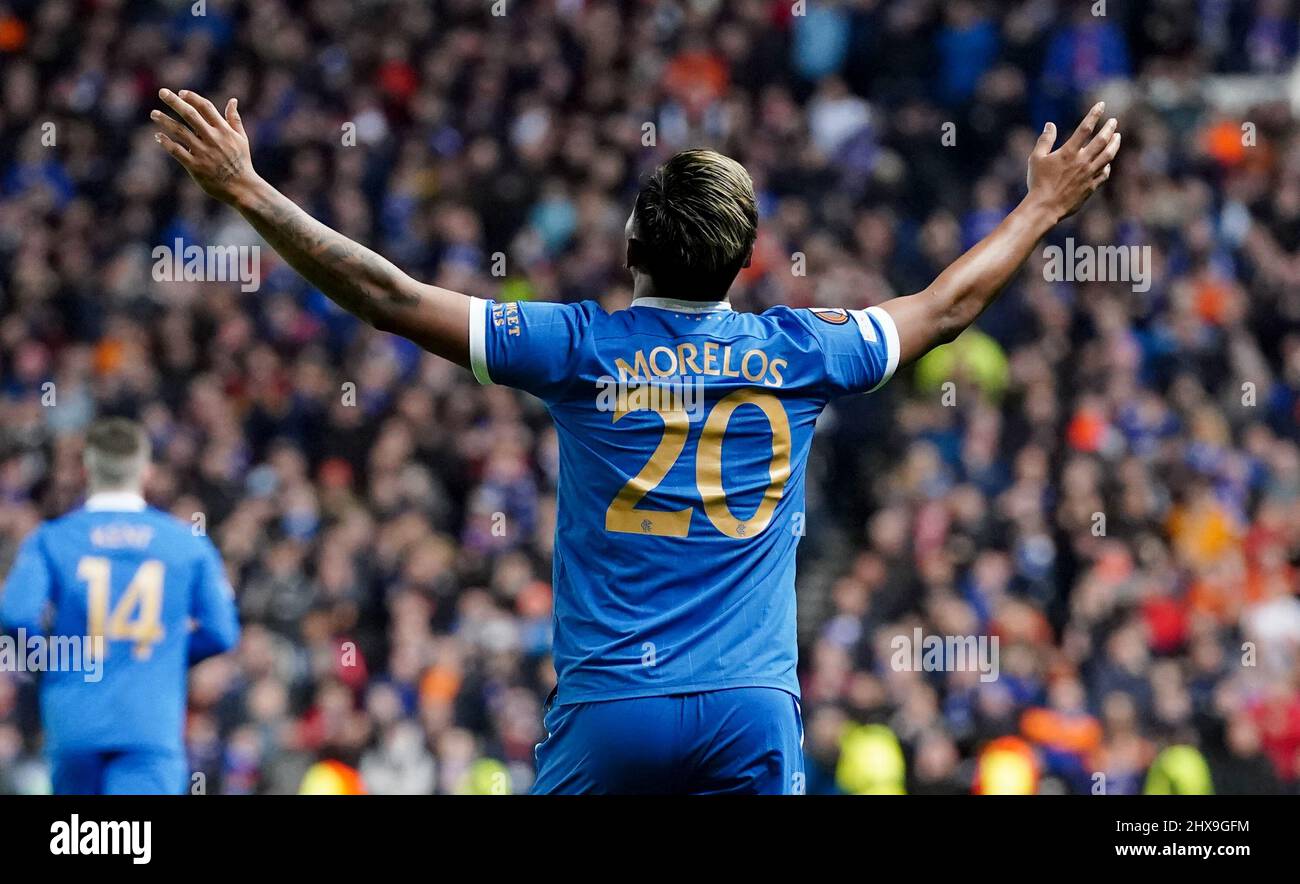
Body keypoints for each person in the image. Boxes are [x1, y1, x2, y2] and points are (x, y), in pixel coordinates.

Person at [148, 88, 1120, 793]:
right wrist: (1041, 205)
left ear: (628, 250)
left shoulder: (579, 343)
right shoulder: (801, 348)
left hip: (614, 706)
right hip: (749, 705)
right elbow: (945, 305)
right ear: (745, 264)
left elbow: (390, 296)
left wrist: (247, 190)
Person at [0, 418, 240, 794]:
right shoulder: (188, 545)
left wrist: (54, 659)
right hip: (149, 722)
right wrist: (165, 652)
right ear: (145, 472)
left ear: (86, 470)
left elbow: (14, 614)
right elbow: (222, 632)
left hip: (74, 719)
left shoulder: (52, 540)